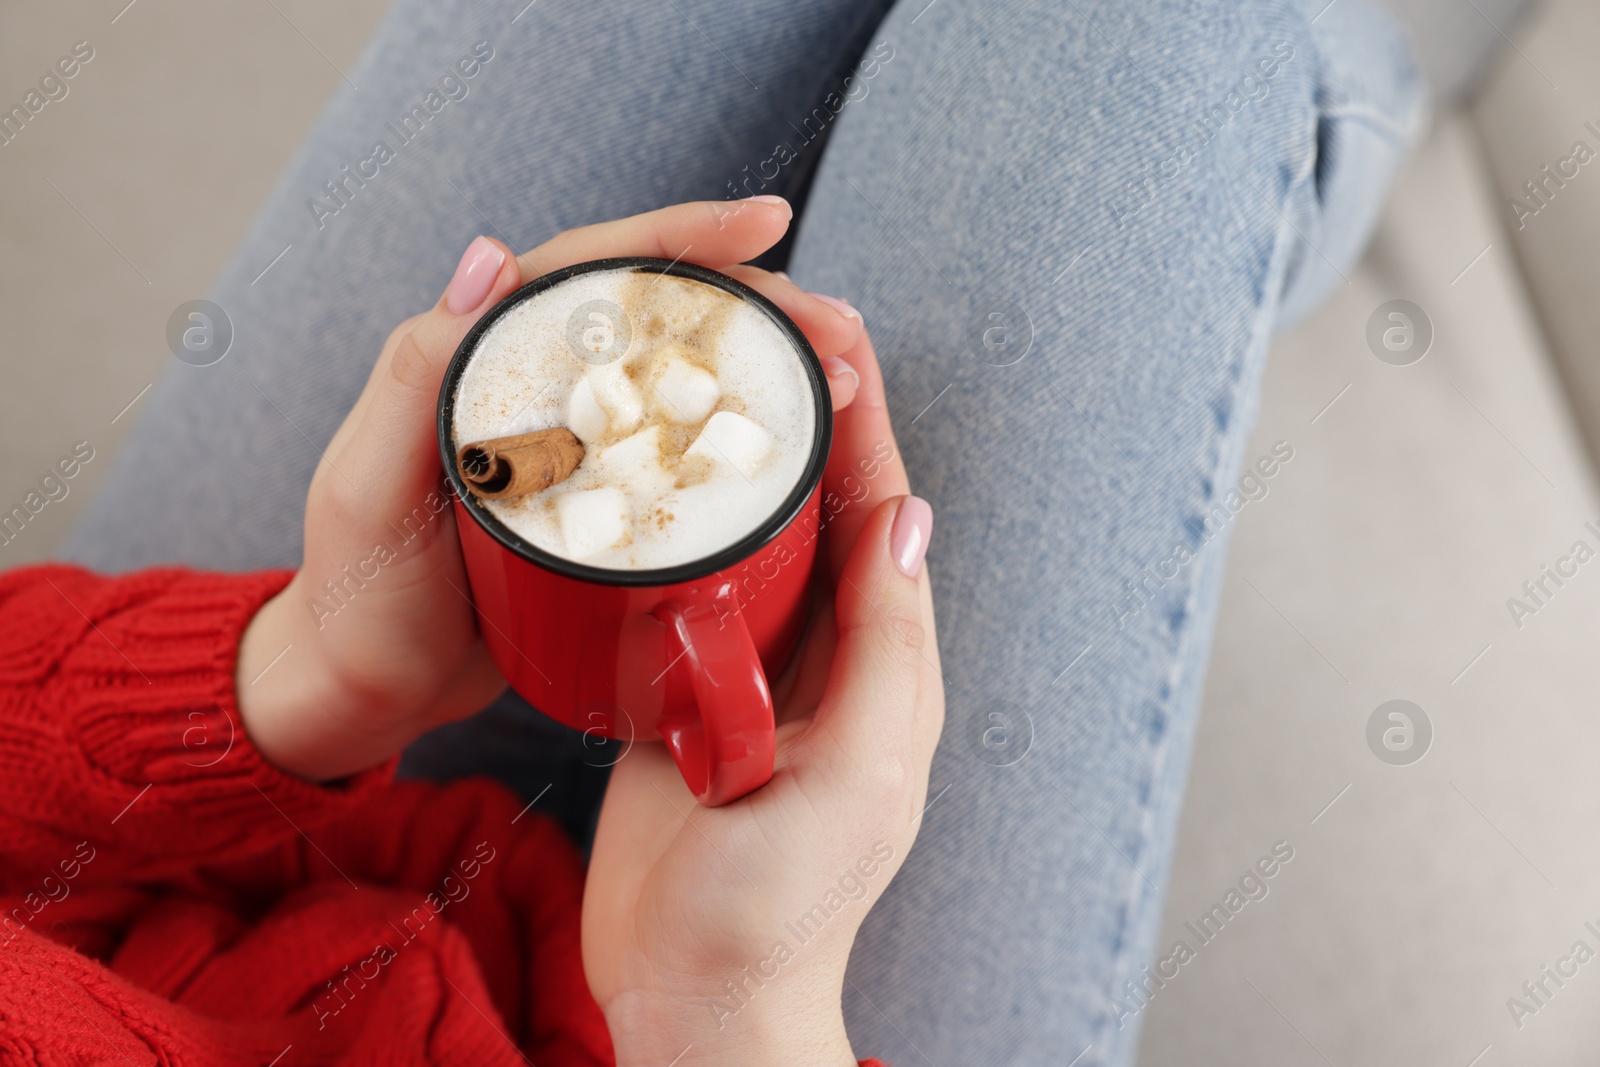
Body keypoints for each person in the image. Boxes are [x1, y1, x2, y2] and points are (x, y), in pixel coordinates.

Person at [26, 0, 1448, 1062]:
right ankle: (1366, 95)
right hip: (715, 1010)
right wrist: (727, 1013)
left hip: (147, 841)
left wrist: (292, 682)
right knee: (1153, 38)